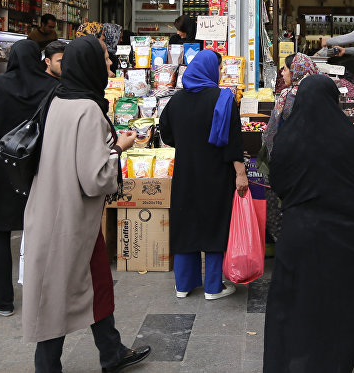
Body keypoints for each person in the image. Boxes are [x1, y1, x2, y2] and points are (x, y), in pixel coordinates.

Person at [22, 35, 150, 373]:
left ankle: (111, 351)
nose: (109, 65)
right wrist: (119, 148)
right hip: (69, 219)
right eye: (104, 60)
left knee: (93, 285)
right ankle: (49, 367)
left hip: (54, 211)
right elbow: (95, 179)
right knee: (57, 294)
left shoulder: (58, 99)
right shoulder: (88, 109)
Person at [264, 75, 354, 371]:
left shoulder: (287, 137)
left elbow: (277, 183)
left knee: (293, 305)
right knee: (336, 303)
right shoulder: (350, 136)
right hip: (344, 233)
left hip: (299, 233)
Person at [0, 39, 58, 316]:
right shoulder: (53, 87)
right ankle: (45, 299)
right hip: (40, 170)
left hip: (1, 169)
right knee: (44, 235)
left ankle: (2, 300)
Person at [160, 49, 247, 300]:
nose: (220, 73)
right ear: (210, 70)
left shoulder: (176, 101)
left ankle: (183, 285)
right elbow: (233, 141)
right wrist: (240, 174)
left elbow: (166, 135)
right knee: (214, 223)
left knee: (185, 222)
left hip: (186, 172)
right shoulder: (223, 98)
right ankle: (212, 286)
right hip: (216, 173)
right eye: (219, 68)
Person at [259, 53, 319, 240]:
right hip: (313, 168)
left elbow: (272, 133)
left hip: (289, 164)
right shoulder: (320, 93)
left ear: (296, 71)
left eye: (285, 68)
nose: (282, 73)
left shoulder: (288, 96)